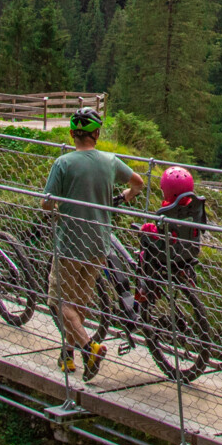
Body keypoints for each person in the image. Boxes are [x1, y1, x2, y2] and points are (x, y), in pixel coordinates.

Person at [42, 107, 143, 379]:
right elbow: (139, 183)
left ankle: (89, 348)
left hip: (69, 243)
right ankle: (69, 356)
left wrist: (59, 206)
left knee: (59, 301)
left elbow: (47, 202)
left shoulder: (63, 163)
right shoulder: (110, 161)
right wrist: (122, 197)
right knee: (79, 303)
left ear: (73, 133)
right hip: (99, 243)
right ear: (96, 133)